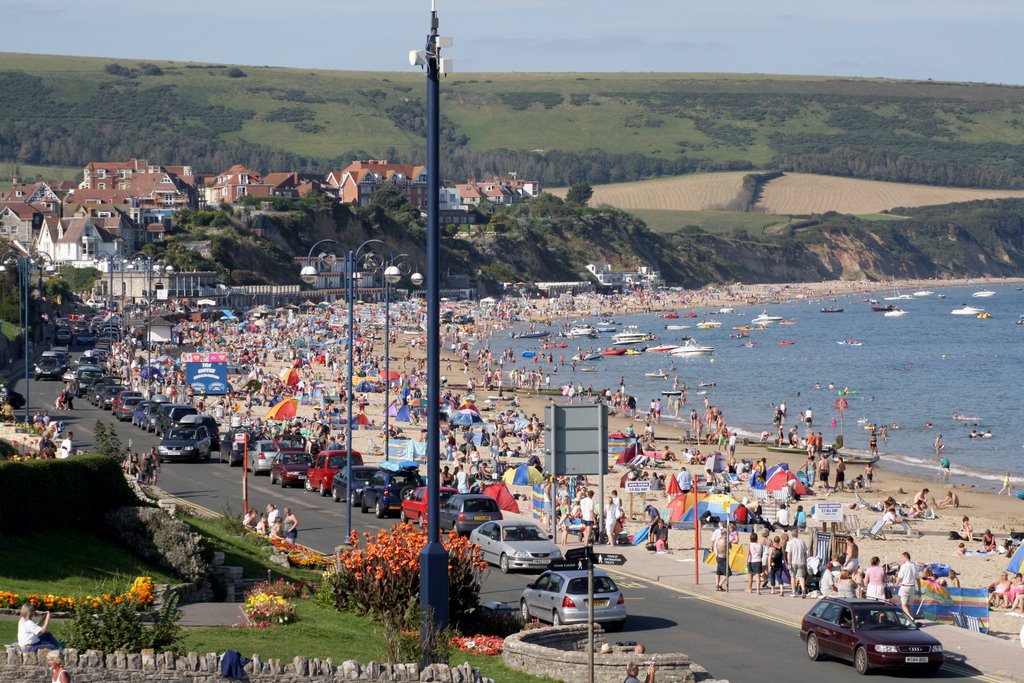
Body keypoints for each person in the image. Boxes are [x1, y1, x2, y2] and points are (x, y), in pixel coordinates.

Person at [785, 530, 808, 598]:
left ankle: (793, 591)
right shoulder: (802, 542)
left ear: (792, 535)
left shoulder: (790, 542)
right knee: (801, 576)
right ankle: (803, 589)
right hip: (801, 561)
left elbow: (789, 554)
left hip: (793, 561)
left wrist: (788, 563)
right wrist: (805, 561)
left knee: (793, 576)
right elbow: (805, 553)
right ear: (797, 534)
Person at [897, 552, 918, 620]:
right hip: (912, 587)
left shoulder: (904, 566)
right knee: (908, 605)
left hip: (905, 586)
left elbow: (899, 577)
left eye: (902, 558)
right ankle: (908, 620)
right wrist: (920, 590)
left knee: (903, 604)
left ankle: (909, 618)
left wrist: (895, 585)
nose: (901, 560)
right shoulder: (914, 566)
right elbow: (918, 578)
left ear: (905, 557)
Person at [714, 524, 729, 592]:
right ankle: (719, 585)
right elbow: (730, 546)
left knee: (718, 572)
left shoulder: (718, 540)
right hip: (723, 559)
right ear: (724, 534)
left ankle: (717, 585)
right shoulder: (724, 541)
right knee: (727, 573)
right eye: (727, 534)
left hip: (718, 557)